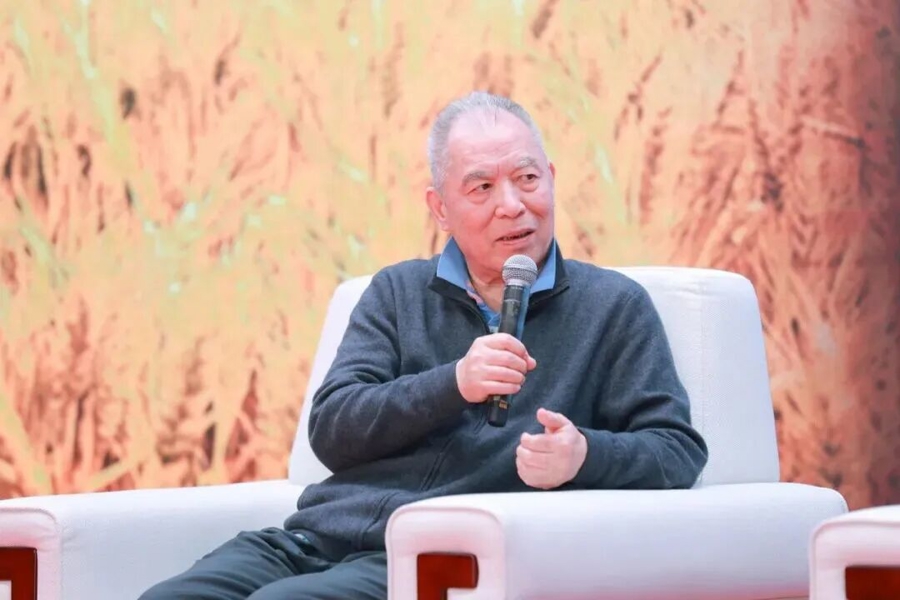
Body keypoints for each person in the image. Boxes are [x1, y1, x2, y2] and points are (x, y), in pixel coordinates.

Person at [139, 91, 708, 600]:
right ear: (439, 209)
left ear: (552, 179)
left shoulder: (612, 307)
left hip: (436, 560)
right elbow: (332, 429)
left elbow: (677, 449)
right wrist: (453, 383)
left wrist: (584, 456)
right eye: (482, 187)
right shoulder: (396, 292)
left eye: (528, 178)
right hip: (318, 538)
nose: (512, 204)